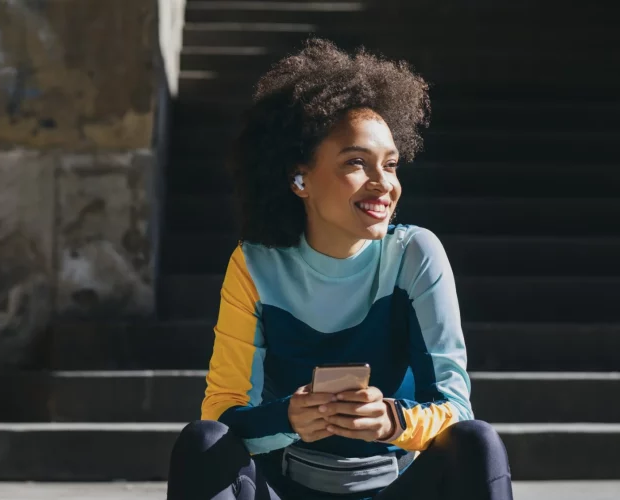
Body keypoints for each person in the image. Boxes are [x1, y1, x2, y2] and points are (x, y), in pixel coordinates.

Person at [166, 39, 513, 500]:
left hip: (395, 487)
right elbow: (222, 415)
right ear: (299, 178)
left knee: (477, 442)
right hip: (283, 486)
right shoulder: (254, 264)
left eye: (391, 165)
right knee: (203, 442)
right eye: (356, 162)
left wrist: (392, 420)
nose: (384, 184)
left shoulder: (416, 253)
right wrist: (288, 418)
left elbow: (455, 408)